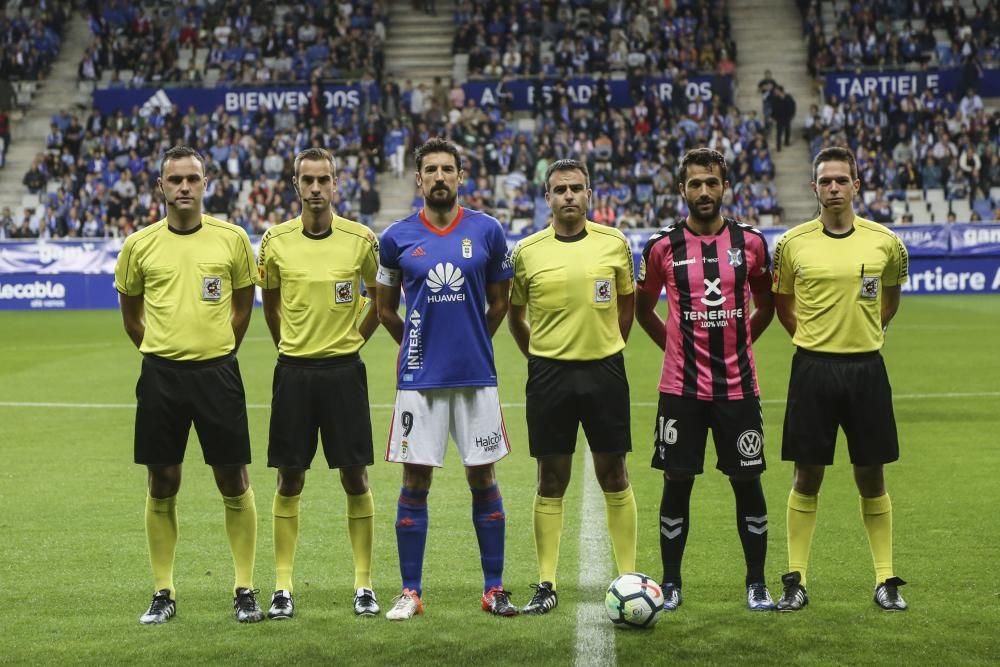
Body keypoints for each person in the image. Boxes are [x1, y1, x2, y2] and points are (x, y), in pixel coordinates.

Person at [114, 146, 263, 624]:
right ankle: (164, 592)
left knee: (233, 478)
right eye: (175, 179)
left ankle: (244, 587)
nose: (184, 187)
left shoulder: (233, 239)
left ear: (205, 184)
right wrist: (163, 348)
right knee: (162, 481)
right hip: (161, 376)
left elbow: (244, 306)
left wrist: (220, 347)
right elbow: (132, 318)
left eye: (192, 179)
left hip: (218, 373)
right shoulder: (139, 245)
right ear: (161, 186)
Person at [375, 137, 517, 620]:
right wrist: (417, 343)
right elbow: (384, 308)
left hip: (476, 376)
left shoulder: (488, 230)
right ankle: (410, 592)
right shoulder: (395, 238)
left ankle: (494, 588)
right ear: (418, 179)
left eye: (447, 169)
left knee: (483, 476)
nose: (439, 177)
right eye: (430, 170)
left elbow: (500, 302)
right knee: (414, 481)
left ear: (461, 176)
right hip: (419, 380)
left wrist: (474, 338)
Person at [635, 148, 777, 612]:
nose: (703, 192)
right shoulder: (661, 247)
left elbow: (766, 303)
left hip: (738, 389)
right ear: (681, 190)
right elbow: (642, 308)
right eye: (695, 184)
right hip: (681, 390)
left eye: (711, 183)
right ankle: (671, 583)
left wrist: (741, 345)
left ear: (724, 187)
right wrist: (673, 346)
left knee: (747, 481)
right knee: (677, 481)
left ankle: (756, 582)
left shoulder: (752, 243)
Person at [771, 146, 909, 612]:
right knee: (806, 474)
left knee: (871, 473)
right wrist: (812, 337)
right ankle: (796, 580)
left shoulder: (884, 241)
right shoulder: (792, 244)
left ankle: (885, 579)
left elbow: (890, 298)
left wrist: (866, 332)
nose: (833, 188)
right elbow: (783, 304)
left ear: (856, 185)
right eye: (825, 181)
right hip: (812, 369)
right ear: (814, 188)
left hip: (867, 369)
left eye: (841, 180)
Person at [508, 159, 638, 615]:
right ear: (547, 197)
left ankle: (627, 576)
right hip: (549, 376)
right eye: (559, 189)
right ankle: (546, 582)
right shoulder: (526, 251)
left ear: (589, 194)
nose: (568, 196)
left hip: (605, 372)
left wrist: (609, 344)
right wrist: (540, 356)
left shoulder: (615, 243)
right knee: (551, 479)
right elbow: (515, 315)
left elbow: (627, 303)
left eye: (576, 188)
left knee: (614, 473)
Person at [257, 148, 381, 620]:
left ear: (336, 185)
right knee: (290, 478)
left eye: (323, 179)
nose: (314, 188)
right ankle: (283, 586)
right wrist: (288, 344)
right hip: (293, 372)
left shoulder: (361, 239)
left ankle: (364, 585)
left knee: (355, 476)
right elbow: (270, 306)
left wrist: (354, 339)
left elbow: (380, 297)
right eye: (306, 180)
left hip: (344, 372)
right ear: (295, 185)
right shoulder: (274, 240)